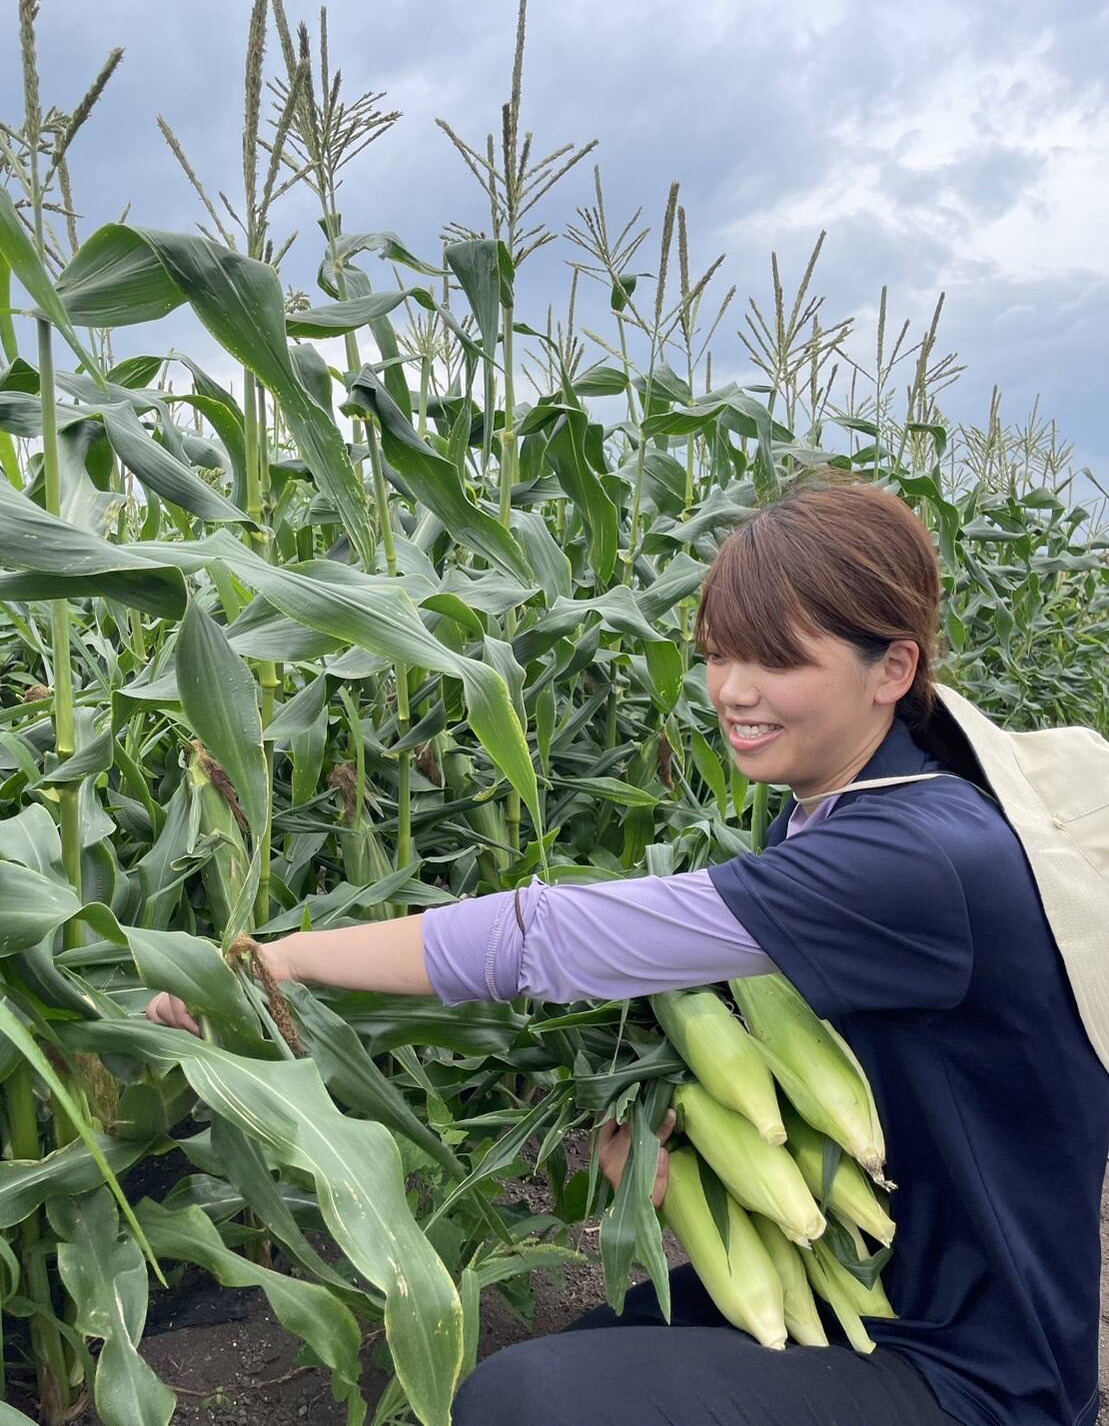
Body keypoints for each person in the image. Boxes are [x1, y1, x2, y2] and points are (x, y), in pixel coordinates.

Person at [147, 472, 1109, 1426]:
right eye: (717, 654)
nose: (731, 692)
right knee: (596, 1346)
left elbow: (545, 940)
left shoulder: (910, 855)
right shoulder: (854, 807)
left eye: (777, 660)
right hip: (881, 1286)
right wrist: (682, 1160)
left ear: (892, 670)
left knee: (526, 1400)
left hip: (974, 1371)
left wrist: (281, 958)